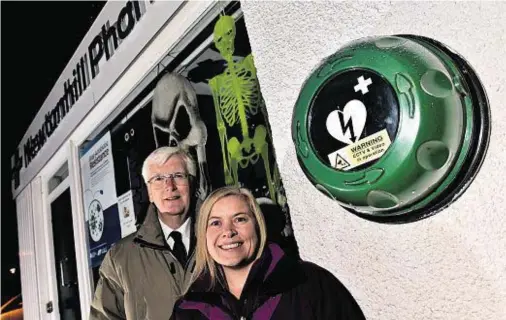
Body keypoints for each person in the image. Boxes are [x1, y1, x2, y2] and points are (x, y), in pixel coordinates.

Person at [171, 186, 366, 320]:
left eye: (240, 219)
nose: (228, 232)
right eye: (215, 223)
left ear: (258, 226)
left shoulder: (309, 283)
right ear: (203, 235)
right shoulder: (189, 309)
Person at [90, 146, 200, 319]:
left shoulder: (221, 240)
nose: (169, 186)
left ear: (192, 184)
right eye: (158, 179)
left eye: (178, 176)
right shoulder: (119, 258)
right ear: (149, 192)